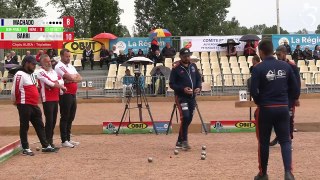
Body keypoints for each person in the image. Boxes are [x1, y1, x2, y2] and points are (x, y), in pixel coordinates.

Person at [250, 40, 299, 180]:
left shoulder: (258, 68)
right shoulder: (286, 66)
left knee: (263, 142)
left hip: (265, 109)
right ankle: (288, 173)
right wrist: (286, 102)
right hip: (283, 108)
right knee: (285, 141)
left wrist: (260, 102)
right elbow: (295, 90)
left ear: (261, 52)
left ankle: (263, 174)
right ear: (272, 51)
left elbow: (253, 91)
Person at [11, 56, 56, 156]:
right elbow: (15, 90)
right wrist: (14, 101)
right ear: (26, 63)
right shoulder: (19, 74)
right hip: (24, 104)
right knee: (24, 126)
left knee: (40, 125)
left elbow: (36, 83)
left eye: (35, 64)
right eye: (33, 64)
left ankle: (45, 145)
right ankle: (25, 148)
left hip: (33, 104)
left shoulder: (32, 74)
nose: (34, 66)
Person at [169, 48, 202, 150]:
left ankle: (179, 141)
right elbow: (171, 84)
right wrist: (183, 89)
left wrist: (198, 87)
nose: (187, 58)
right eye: (185, 56)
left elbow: (198, 79)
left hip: (192, 97)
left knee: (189, 119)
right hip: (181, 97)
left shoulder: (193, 66)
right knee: (185, 117)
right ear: (180, 57)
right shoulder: (176, 68)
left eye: (188, 56)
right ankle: (184, 141)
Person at [269, 45, 301, 147]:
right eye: (276, 55)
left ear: (285, 53)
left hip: (290, 98)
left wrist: (296, 98)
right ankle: (279, 137)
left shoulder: (292, 66)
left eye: (279, 55)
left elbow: (297, 83)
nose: (278, 57)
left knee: (289, 119)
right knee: (278, 118)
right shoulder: (275, 65)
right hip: (279, 97)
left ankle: (288, 140)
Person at [37, 54, 67, 148]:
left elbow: (60, 80)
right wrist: (58, 85)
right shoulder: (40, 72)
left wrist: (56, 84)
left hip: (55, 98)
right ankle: (47, 142)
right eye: (47, 61)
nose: (49, 63)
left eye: (49, 61)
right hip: (47, 99)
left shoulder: (52, 71)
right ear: (42, 62)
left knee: (53, 121)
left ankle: (50, 141)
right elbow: (49, 82)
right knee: (49, 121)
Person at [55, 49, 82, 148]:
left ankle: (68, 138)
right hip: (65, 94)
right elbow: (70, 77)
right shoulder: (59, 66)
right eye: (66, 56)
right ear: (61, 56)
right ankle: (64, 140)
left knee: (71, 116)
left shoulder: (70, 66)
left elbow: (80, 77)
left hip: (73, 93)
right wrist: (72, 79)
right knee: (65, 116)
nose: (68, 58)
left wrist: (72, 78)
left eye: (69, 56)